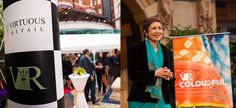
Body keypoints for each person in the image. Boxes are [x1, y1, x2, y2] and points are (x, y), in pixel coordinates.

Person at [128, 16, 175, 108]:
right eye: (153, 28)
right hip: (142, 100)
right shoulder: (137, 50)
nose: (158, 31)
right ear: (146, 32)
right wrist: (154, 74)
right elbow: (133, 75)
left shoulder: (166, 51)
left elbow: (173, 74)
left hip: (163, 99)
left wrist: (170, 75)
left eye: (160, 28)